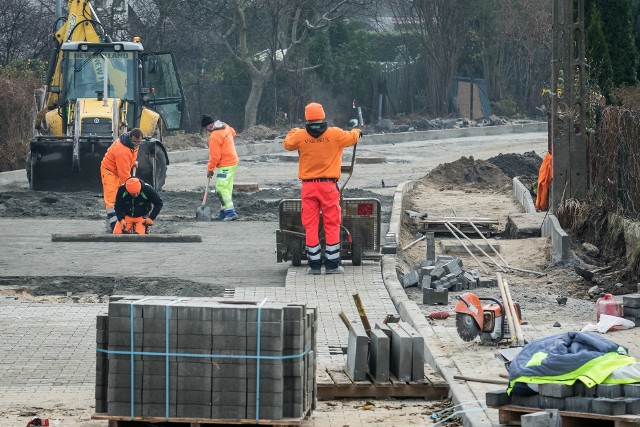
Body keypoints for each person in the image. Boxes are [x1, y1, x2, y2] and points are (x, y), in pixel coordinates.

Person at [283, 102, 362, 275]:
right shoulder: (335, 134)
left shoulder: (301, 136)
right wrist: (357, 131)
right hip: (328, 186)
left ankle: (314, 265)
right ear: (323, 115)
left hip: (309, 187)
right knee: (332, 224)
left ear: (306, 117)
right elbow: (353, 137)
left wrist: (293, 131)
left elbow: (287, 144)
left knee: (310, 226)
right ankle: (333, 265)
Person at [100, 128, 143, 231]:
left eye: (139, 142)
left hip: (120, 168)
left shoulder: (133, 144)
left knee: (122, 195)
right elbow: (124, 176)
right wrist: (133, 191)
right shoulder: (122, 151)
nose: (137, 144)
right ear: (130, 138)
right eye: (135, 142)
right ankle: (114, 225)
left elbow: (131, 156)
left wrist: (132, 162)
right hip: (110, 171)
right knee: (112, 199)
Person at [201, 114, 239, 221]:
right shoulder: (225, 126)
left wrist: (210, 169)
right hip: (233, 161)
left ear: (208, 126)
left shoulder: (214, 136)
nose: (206, 131)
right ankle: (223, 211)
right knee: (227, 187)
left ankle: (230, 212)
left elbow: (215, 156)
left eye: (205, 128)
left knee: (221, 188)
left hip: (226, 164)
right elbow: (233, 132)